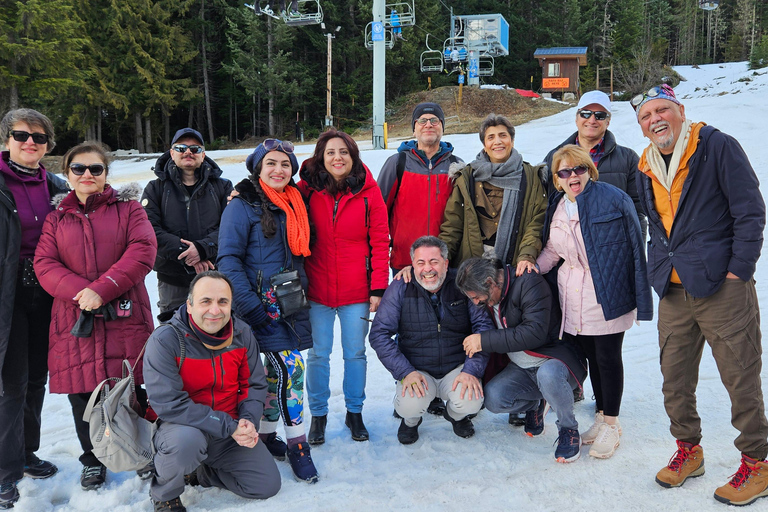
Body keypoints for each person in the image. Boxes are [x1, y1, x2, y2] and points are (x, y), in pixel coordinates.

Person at [633, 84, 768, 506]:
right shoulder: (645, 165)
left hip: (722, 289)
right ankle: (689, 451)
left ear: (680, 110)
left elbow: (750, 211)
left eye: (661, 110)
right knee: (674, 379)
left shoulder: (716, 147)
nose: (654, 120)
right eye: (644, 116)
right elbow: (656, 223)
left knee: (739, 377)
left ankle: (758, 462)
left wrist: (737, 272)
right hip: (673, 290)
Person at [34, 141, 157, 490]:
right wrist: (82, 293)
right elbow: (44, 264)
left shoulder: (129, 209)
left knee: (131, 387)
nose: (87, 174)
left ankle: (141, 451)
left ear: (105, 174)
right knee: (82, 392)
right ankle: (93, 459)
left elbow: (143, 249)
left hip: (124, 313)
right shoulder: (56, 219)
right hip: (76, 318)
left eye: (95, 169)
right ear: (67, 174)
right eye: (79, 169)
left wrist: (102, 289)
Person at [536, 144, 652, 460]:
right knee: (592, 356)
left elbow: (634, 249)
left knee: (609, 357)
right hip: (572, 294)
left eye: (579, 169)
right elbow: (552, 251)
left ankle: (612, 424)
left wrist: (639, 295)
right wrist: (531, 269)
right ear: (557, 178)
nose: (573, 176)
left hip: (607, 290)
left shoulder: (614, 199)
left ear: (590, 169)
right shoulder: (558, 205)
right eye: (564, 172)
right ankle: (602, 414)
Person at [217, 139, 318, 483]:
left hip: (289, 304)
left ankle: (265, 436)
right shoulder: (241, 205)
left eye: (286, 164)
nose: (279, 170)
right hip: (256, 307)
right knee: (291, 371)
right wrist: (250, 306)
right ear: (258, 167)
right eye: (271, 163)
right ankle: (298, 444)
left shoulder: (295, 202)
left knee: (279, 375)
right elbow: (227, 260)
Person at [144, 271, 281, 512]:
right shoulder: (166, 339)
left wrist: (248, 421)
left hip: (229, 428)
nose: (215, 310)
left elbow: (254, 385)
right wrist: (230, 426)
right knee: (185, 444)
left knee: (265, 485)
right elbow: (170, 404)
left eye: (222, 302)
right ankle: (165, 494)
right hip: (183, 427)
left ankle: (201, 473)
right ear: (189, 304)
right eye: (206, 301)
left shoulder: (242, 334)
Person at [297, 129, 390, 445]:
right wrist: (244, 192)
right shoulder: (306, 191)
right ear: (321, 157)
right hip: (317, 290)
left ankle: (355, 412)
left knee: (355, 353)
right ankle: (318, 415)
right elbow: (274, 195)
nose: (338, 158)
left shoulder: (368, 191)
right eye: (331, 152)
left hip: (356, 292)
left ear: (353, 157)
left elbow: (379, 240)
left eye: (344, 152)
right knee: (318, 354)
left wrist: (378, 287)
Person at [456, 257, 587, 463]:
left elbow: (534, 333)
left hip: (554, 360)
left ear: (490, 282)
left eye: (476, 297)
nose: (475, 303)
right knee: (494, 398)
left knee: (548, 375)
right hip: (522, 367)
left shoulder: (528, 283)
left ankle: (569, 430)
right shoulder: (490, 293)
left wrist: (484, 340)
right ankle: (536, 403)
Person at [0, 109, 66, 509]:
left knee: (37, 377)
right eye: (21, 135)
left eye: (39, 138)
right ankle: (5, 470)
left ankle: (26, 453)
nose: (30, 143)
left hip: (46, 292)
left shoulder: (56, 185)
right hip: (6, 294)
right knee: (12, 382)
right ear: (7, 139)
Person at [378, 103, 462, 416]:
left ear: (442, 127)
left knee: (447, 326)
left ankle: (443, 392)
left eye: (435, 120)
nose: (429, 124)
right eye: (422, 120)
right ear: (414, 129)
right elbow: (377, 213)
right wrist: (390, 254)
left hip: (445, 267)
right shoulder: (397, 163)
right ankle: (410, 388)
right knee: (409, 329)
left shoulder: (456, 166)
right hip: (405, 265)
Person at [369, 236, 492, 444]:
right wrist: (405, 372)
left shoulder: (461, 285)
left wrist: (472, 369)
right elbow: (379, 334)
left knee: (471, 401)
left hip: (456, 368)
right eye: (421, 263)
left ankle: (455, 416)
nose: (428, 269)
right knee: (409, 405)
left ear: (445, 263)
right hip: (417, 371)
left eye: (434, 262)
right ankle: (410, 421)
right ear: (412, 265)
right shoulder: (401, 287)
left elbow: (483, 327)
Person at [142, 128, 233, 323]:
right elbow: (149, 231)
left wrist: (202, 248)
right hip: (172, 279)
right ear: (172, 153)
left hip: (214, 276)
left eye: (195, 148)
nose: (188, 152)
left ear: (203, 154)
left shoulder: (223, 187)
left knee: (215, 331)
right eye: (181, 147)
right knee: (174, 337)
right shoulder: (154, 189)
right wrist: (189, 253)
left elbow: (230, 227)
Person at [440, 113, 547, 275]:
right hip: (471, 268)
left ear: (512, 140)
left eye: (503, 135)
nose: (497, 142)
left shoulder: (530, 176)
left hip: (514, 266)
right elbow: (453, 225)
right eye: (490, 137)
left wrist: (527, 254)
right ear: (484, 144)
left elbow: (536, 222)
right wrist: (440, 258)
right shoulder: (468, 177)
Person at [543, 90, 645, 237]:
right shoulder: (555, 157)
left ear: (608, 121)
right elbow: (544, 207)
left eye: (600, 116)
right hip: (567, 252)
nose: (592, 120)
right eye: (585, 113)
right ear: (577, 118)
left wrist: (637, 252)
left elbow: (638, 211)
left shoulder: (628, 159)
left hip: (611, 249)